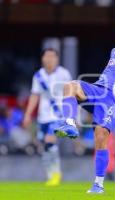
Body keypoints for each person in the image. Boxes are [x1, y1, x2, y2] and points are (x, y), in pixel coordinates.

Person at [54, 14, 115, 194]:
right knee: (70, 86)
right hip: (98, 88)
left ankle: (98, 184)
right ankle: (69, 124)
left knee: (100, 137)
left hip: (112, 98)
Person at [23, 48, 72, 186]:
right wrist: (27, 115)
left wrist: (72, 114)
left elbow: (71, 93)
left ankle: (56, 174)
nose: (49, 59)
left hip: (58, 114)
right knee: (44, 145)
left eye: (52, 56)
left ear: (57, 59)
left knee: (50, 140)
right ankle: (50, 174)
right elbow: (34, 95)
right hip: (43, 116)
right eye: (47, 56)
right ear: (42, 59)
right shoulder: (38, 75)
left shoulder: (64, 74)